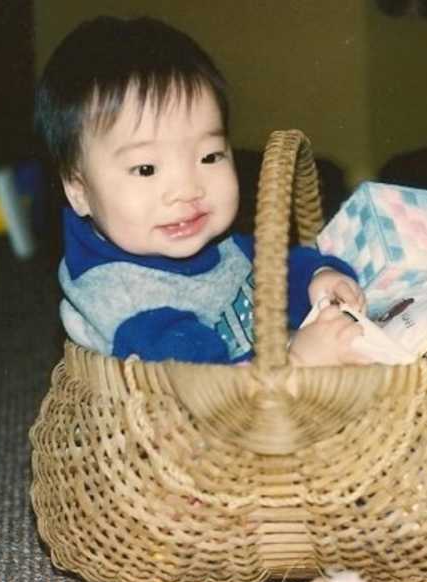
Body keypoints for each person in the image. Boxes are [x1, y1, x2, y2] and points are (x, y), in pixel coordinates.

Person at [34, 15, 368, 366]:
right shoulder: (124, 300)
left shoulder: (214, 243)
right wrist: (299, 359)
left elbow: (270, 273)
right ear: (78, 192)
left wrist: (318, 276)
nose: (187, 190)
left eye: (209, 156)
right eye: (146, 168)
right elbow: (207, 394)